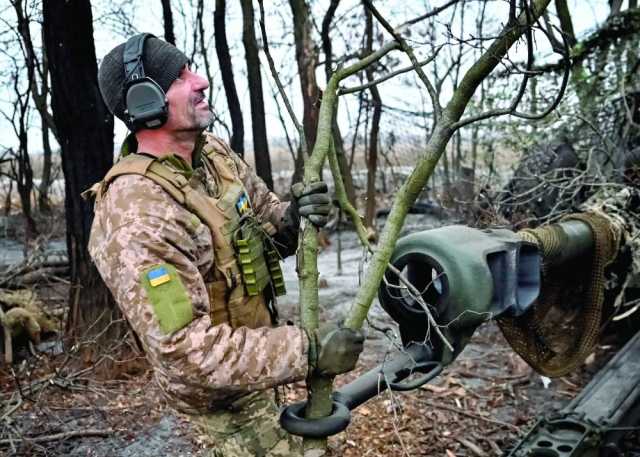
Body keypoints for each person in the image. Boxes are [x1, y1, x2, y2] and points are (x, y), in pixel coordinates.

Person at [88, 33, 364, 456]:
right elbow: (185, 353)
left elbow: (265, 216)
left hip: (256, 373)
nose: (200, 81)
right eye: (180, 77)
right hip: (221, 410)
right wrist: (306, 349)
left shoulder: (213, 153)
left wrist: (294, 218)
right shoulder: (136, 210)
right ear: (146, 101)